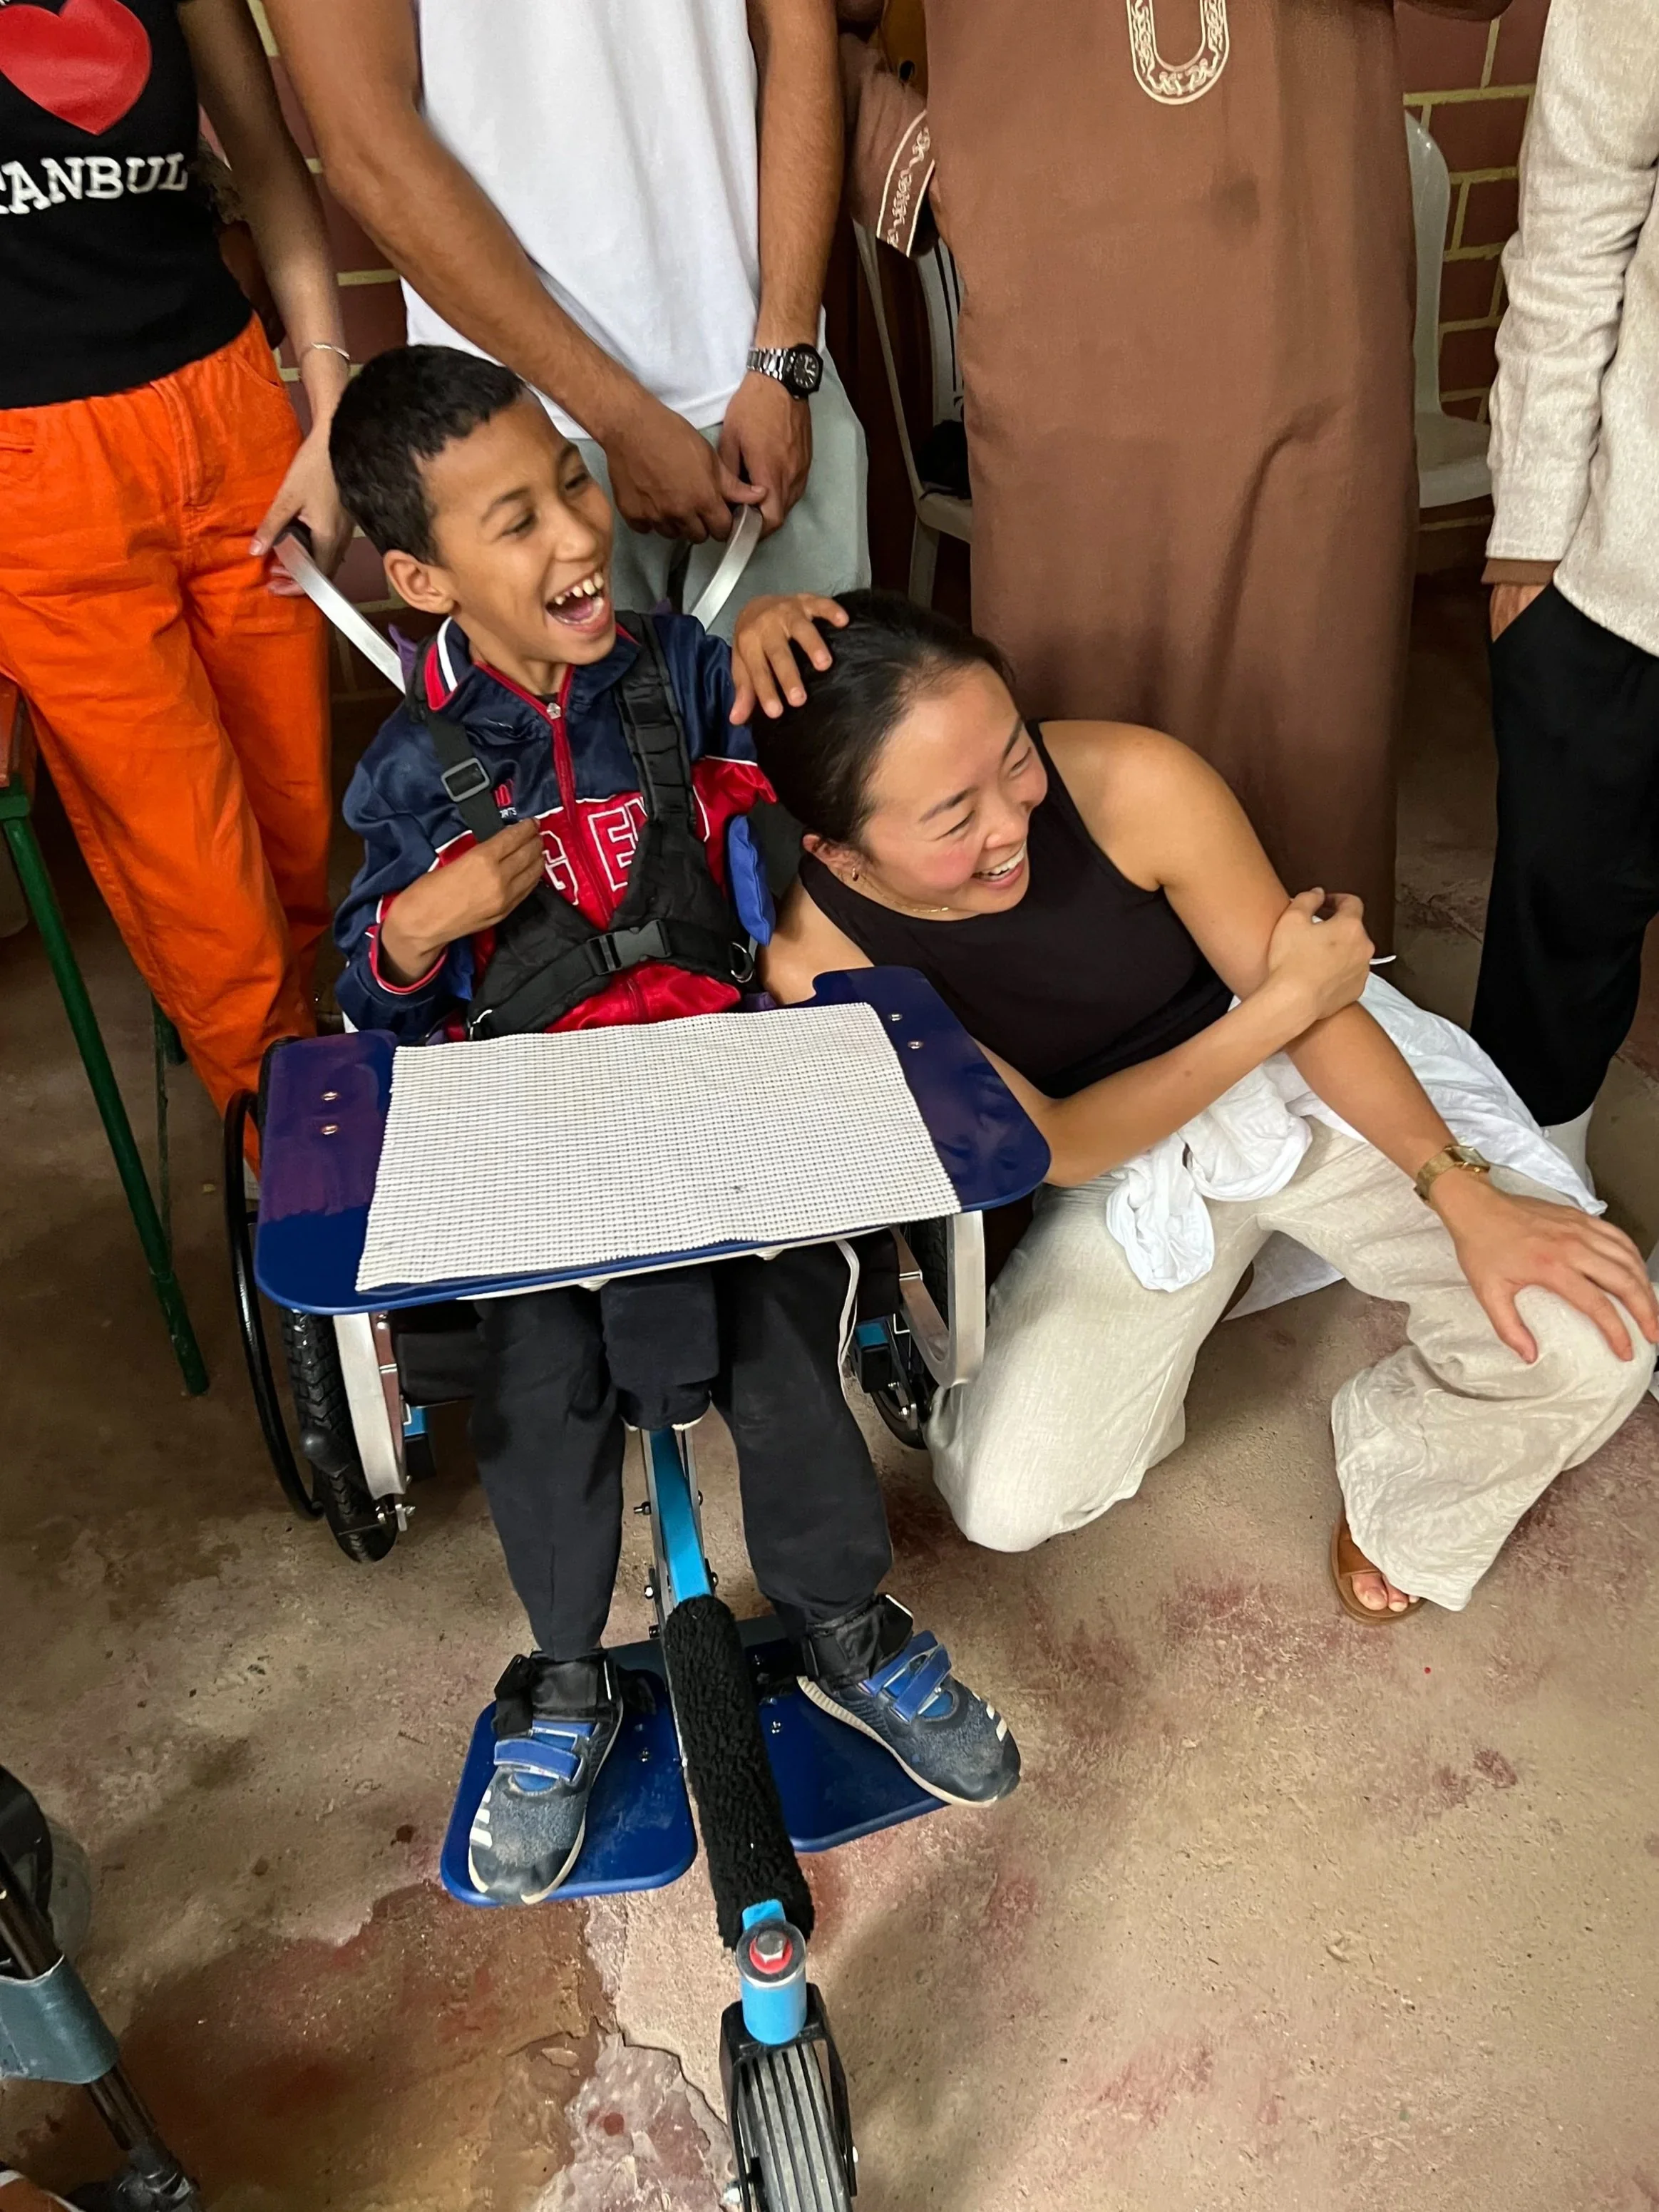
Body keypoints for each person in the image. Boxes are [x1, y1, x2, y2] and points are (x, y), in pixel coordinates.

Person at [327, 348, 1017, 1904]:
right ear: (425, 577)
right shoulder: (403, 774)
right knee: (538, 1382)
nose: (576, 536)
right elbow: (363, 996)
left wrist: (772, 637)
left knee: (784, 1346)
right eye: (516, 521)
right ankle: (565, 1681)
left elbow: (795, 742)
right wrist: (423, 924)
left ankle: (842, 1622)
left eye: (572, 484)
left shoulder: (679, 673)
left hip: (713, 1104)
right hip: (534, 1140)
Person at [740, 591, 1658, 1620]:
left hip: (1292, 1079)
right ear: (841, 854)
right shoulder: (819, 956)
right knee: (1002, 1501)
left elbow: (1321, 1020)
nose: (1010, 822)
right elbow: (1060, 1144)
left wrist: (1460, 1188)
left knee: (1595, 1329)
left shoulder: (1133, 780)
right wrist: (1278, 1004)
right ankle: (1200, 1292)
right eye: (954, 817)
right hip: (1124, 1151)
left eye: (1012, 757)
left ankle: (1402, 1473)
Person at [838, 0, 1514, 946]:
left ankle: (1311, 1035)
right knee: (1084, 722)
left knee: (1308, 726)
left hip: (1307, 302)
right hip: (1064, 339)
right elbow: (805, 26)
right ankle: (1109, 1042)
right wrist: (929, 175)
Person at [0, 0, 349, 1115]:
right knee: (202, 885)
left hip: (233, 411)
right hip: (43, 474)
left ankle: (301, 1106)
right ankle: (308, 1207)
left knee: (295, 832)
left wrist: (332, 419)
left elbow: (271, 174)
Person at [265, 0, 868, 639]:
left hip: (771, 397)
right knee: (564, 741)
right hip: (520, 431)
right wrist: (619, 417)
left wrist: (785, 354)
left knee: (835, 736)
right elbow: (367, 144)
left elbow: (798, 28)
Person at [1469, 0, 1659, 1210]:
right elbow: (1582, 197)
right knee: (1558, 926)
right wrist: (1529, 534)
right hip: (1623, 562)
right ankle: (1539, 1193)